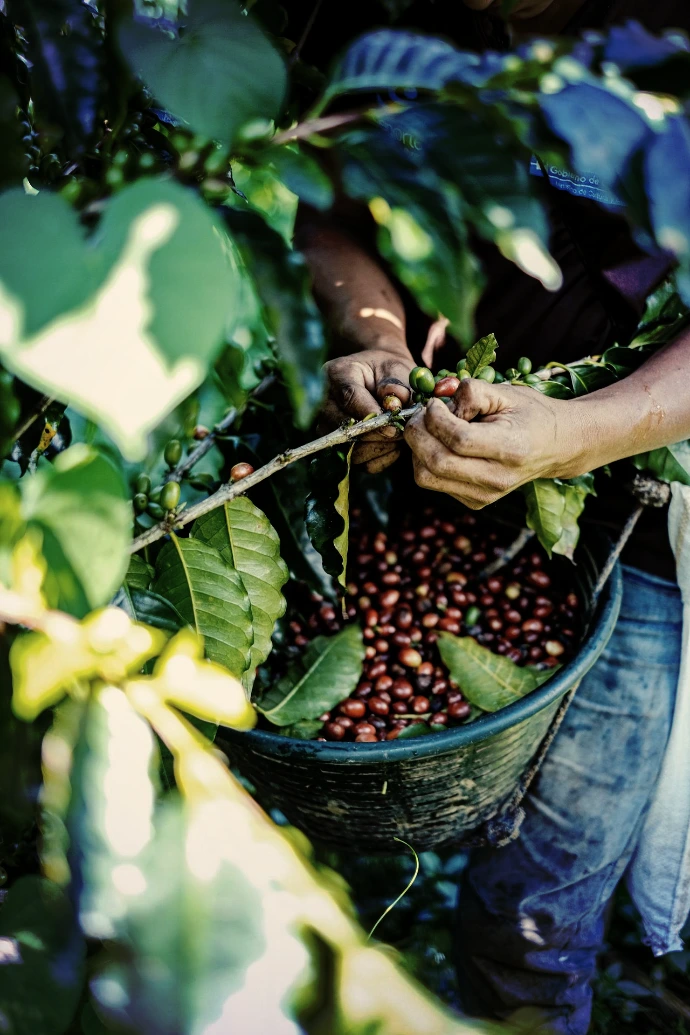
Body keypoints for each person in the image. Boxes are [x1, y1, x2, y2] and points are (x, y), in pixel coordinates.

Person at [295, 0, 690, 1031]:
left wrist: (578, 437)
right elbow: (327, 195)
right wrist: (374, 336)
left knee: (533, 911)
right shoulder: (398, 21)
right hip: (440, 460)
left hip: (646, 516)